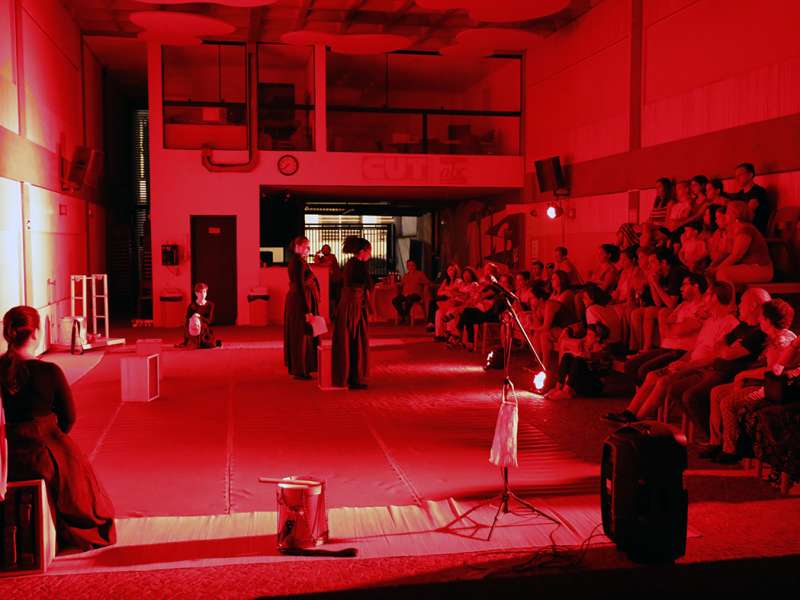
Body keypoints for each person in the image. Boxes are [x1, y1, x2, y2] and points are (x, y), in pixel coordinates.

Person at [1, 306, 116, 552]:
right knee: (84, 494)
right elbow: (69, 417)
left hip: (5, 457)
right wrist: (55, 440)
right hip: (41, 452)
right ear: (35, 334)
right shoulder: (49, 372)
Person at [703, 299, 796, 463]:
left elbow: (774, 371)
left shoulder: (782, 341)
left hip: (768, 387)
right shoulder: (773, 337)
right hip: (761, 382)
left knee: (728, 402)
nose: (759, 320)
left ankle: (731, 450)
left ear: (768, 320)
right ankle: (716, 442)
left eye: (761, 317)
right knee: (717, 392)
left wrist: (745, 374)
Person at [332, 237, 373, 389]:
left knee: (351, 341)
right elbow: (366, 287)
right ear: (362, 252)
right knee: (354, 341)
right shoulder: (357, 265)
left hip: (350, 306)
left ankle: (352, 376)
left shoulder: (352, 263)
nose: (370, 254)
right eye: (369, 250)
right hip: (353, 308)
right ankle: (353, 378)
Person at [708, 200, 773, 286]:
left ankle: (730, 299)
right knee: (715, 272)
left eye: (727, 213)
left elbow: (736, 255)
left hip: (760, 268)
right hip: (748, 266)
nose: (725, 216)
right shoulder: (733, 230)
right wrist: (712, 266)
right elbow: (727, 253)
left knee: (722, 273)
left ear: (735, 215)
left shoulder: (745, 229)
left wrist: (717, 269)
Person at [284, 235, 321, 380]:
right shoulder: (297, 262)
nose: (308, 249)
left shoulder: (300, 261)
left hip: (301, 299)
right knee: (301, 335)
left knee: (304, 335)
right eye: (306, 247)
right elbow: (299, 285)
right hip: (299, 301)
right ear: (298, 247)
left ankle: (303, 368)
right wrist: (307, 310)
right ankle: (300, 370)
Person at [548, 323, 611, 400]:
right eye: (587, 334)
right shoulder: (587, 346)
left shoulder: (602, 350)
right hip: (583, 381)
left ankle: (566, 391)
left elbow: (587, 356)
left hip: (594, 386)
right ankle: (558, 388)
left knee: (579, 360)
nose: (586, 337)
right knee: (567, 356)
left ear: (597, 338)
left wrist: (579, 349)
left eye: (590, 335)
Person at [733, 162, 770, 235]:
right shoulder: (739, 194)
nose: (737, 178)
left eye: (740, 175)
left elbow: (748, 213)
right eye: (736, 176)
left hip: (755, 229)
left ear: (750, 175)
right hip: (743, 227)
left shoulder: (758, 191)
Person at [177, 282, 219, 349]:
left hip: (205, 330)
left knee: (210, 345)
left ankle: (200, 341)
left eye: (204, 292)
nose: (203, 294)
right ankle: (193, 341)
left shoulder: (210, 305)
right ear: (196, 293)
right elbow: (187, 323)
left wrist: (199, 316)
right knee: (194, 322)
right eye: (200, 292)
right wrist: (186, 340)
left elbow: (209, 321)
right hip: (193, 330)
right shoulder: (192, 306)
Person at [392, 260, 430, 324]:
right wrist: (395, 284)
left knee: (409, 299)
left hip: (416, 294)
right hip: (405, 294)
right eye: (409, 265)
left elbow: (427, 283)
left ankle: (405, 317)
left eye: (412, 265)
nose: (411, 267)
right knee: (395, 300)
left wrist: (425, 294)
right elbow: (401, 284)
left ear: (415, 266)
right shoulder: (406, 275)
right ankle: (404, 315)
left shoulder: (420, 274)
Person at [314, 244, 342, 318]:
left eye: (327, 249)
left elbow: (327, 264)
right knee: (329, 297)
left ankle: (335, 313)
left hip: (335, 280)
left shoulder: (332, 256)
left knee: (334, 297)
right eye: (323, 249)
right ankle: (331, 313)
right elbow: (316, 263)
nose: (325, 250)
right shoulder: (322, 258)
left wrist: (320, 263)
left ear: (329, 250)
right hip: (327, 281)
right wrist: (317, 254)